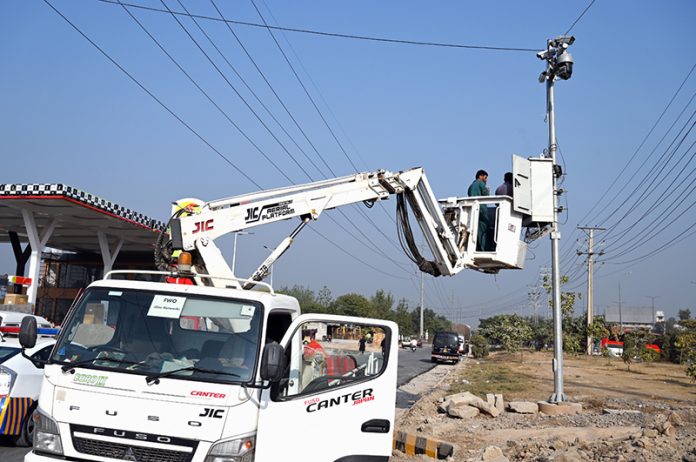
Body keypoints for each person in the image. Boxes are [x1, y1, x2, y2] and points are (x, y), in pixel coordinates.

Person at [467, 169, 490, 251]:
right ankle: (483, 249)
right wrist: (487, 191)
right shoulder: (480, 183)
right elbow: (486, 195)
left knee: (475, 230)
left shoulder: (470, 186)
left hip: (473, 211)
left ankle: (475, 248)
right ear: (480, 176)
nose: (486, 180)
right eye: (485, 177)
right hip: (481, 210)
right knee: (483, 230)